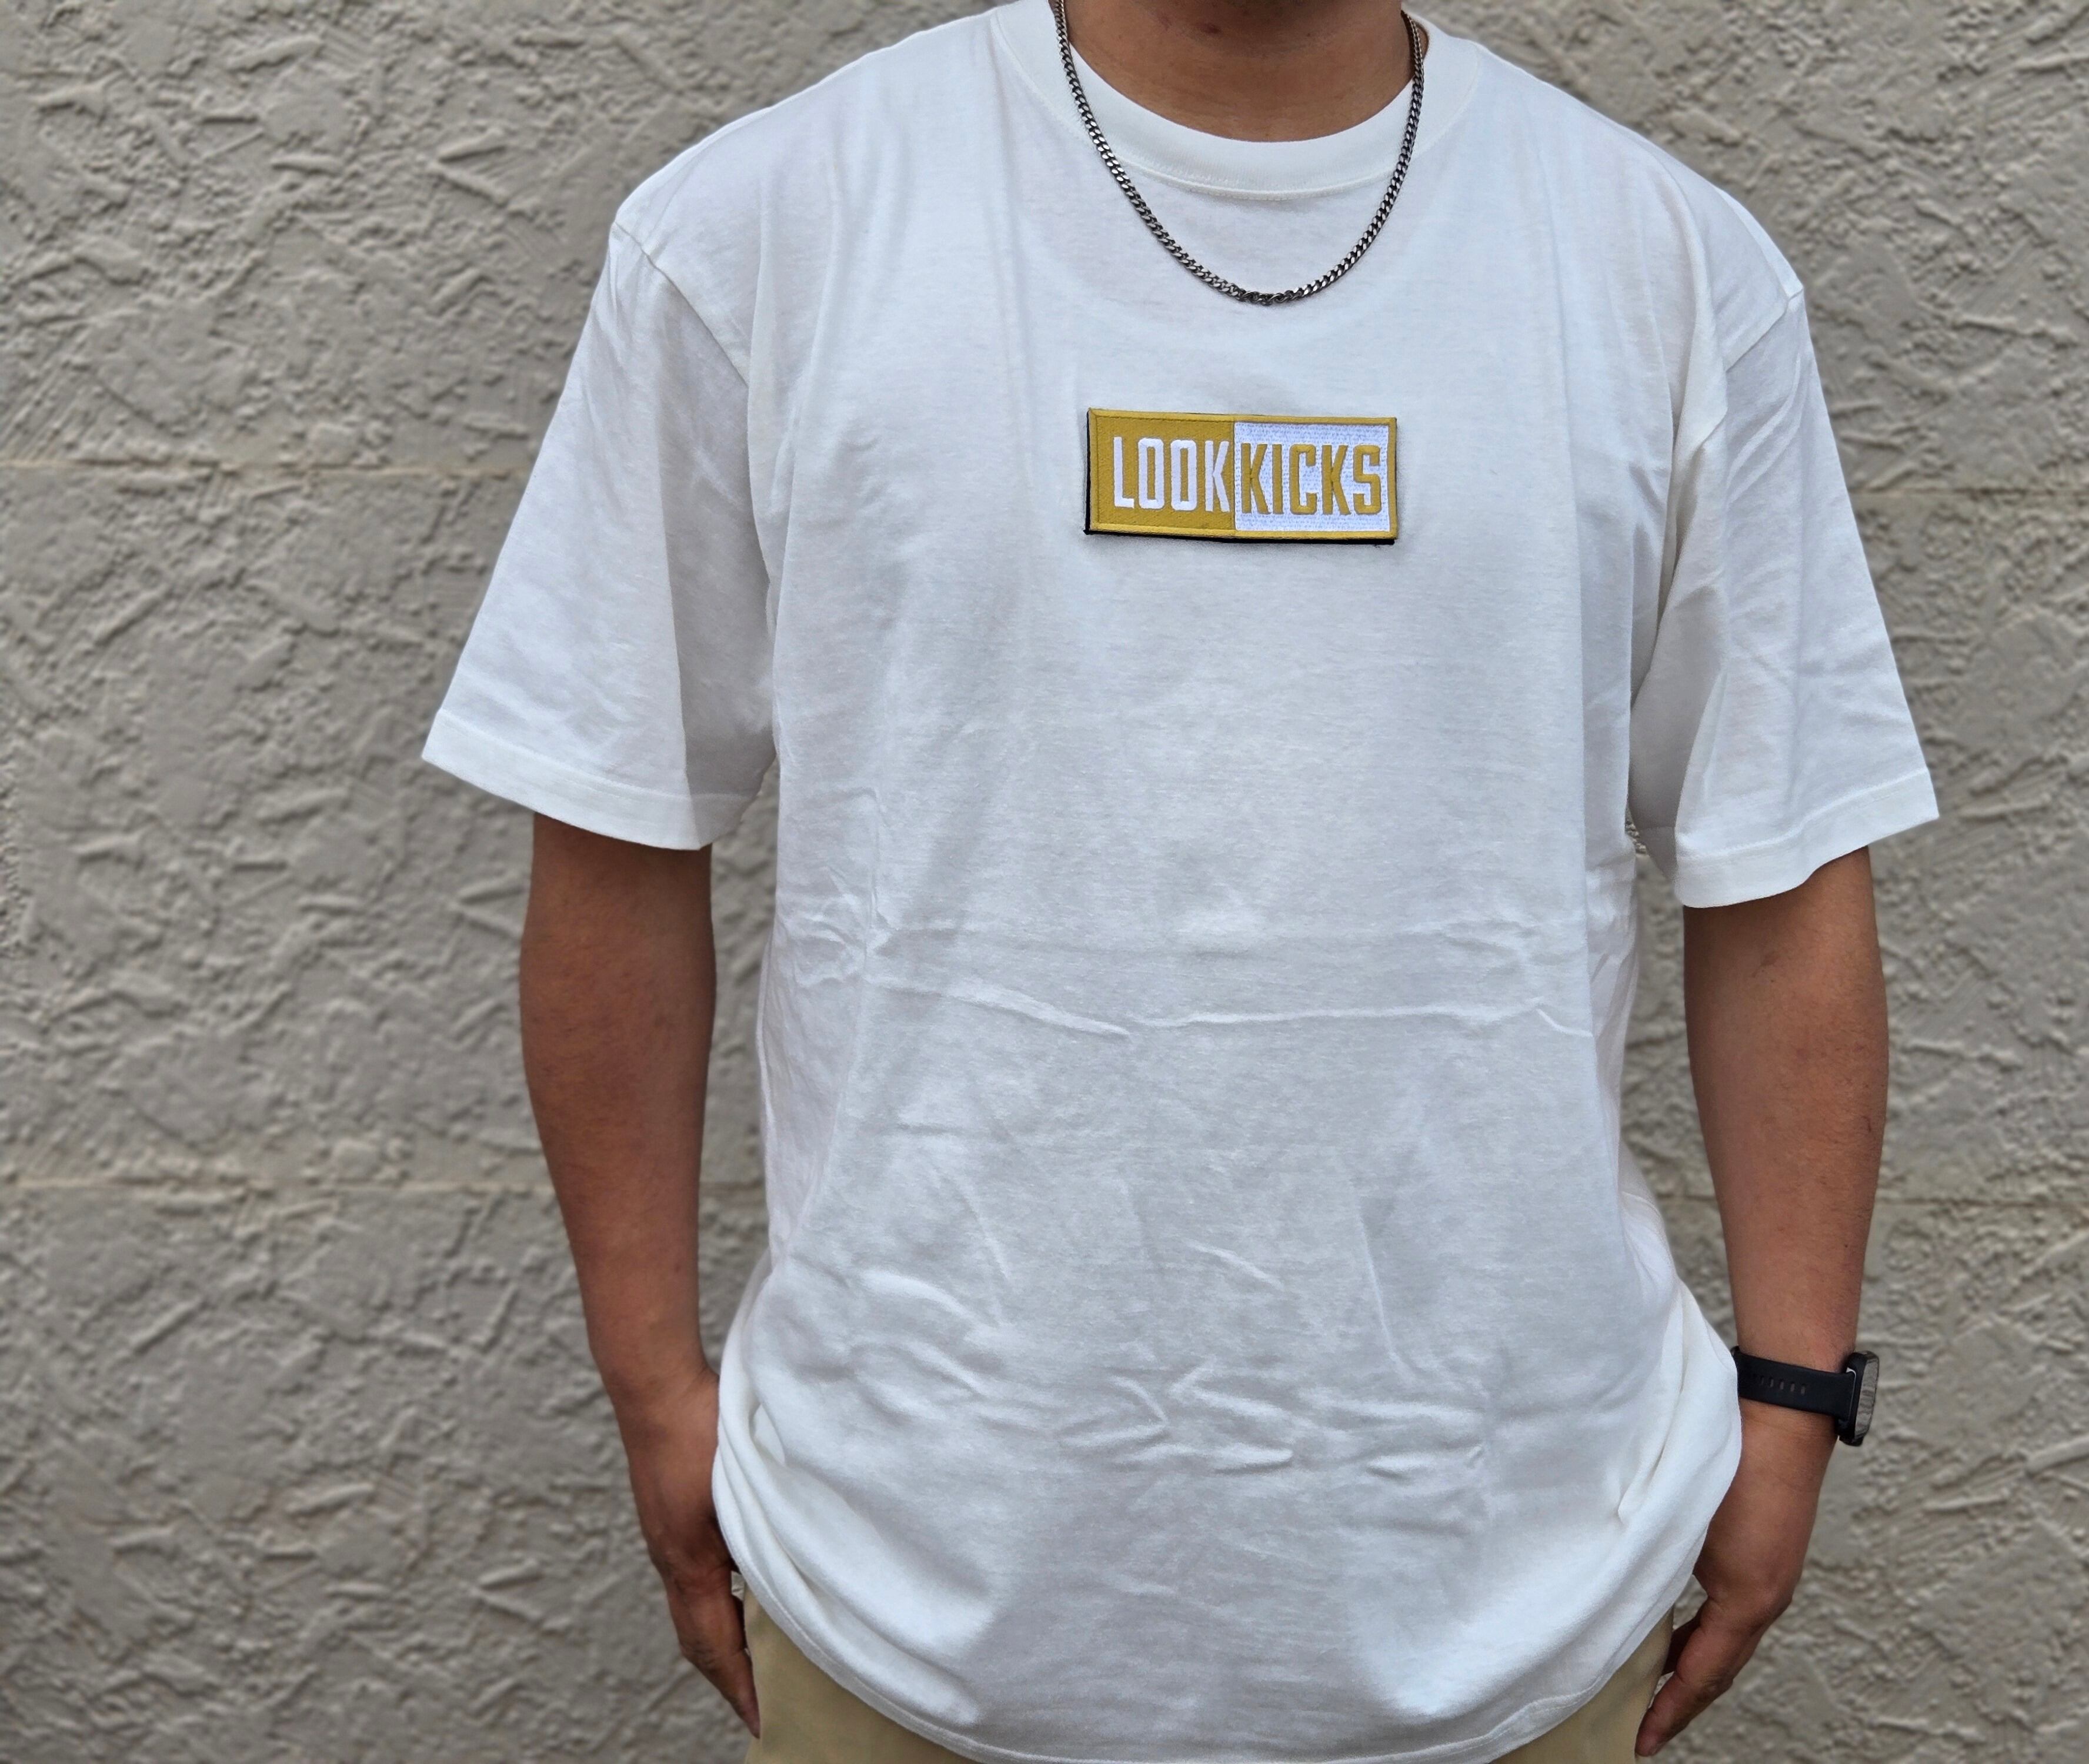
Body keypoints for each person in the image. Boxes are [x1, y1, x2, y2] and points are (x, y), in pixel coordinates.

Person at [421, 0, 1938, 1759]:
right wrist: (652, 1389)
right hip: (901, 1595)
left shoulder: (1663, 265)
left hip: (1524, 1599)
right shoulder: (760, 231)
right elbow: (617, 835)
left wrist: (1793, 1404)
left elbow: (1781, 880)